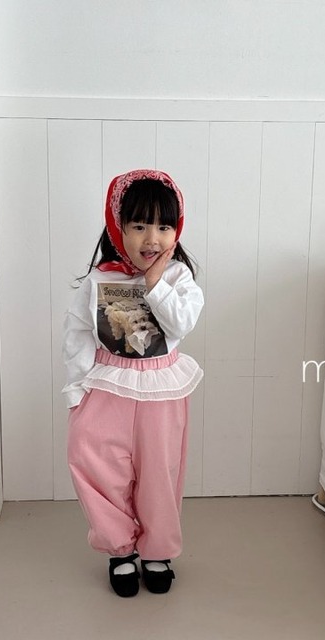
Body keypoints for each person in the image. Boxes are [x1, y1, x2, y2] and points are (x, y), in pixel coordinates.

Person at [63, 169, 204, 597]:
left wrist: (155, 284)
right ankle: (119, 550)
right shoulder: (98, 280)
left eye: (163, 227)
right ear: (118, 227)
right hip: (107, 386)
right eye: (139, 226)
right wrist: (76, 390)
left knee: (159, 471)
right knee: (98, 465)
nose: (151, 238)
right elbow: (77, 334)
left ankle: (157, 550)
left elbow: (182, 323)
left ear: (176, 231)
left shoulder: (178, 279)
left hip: (161, 390)